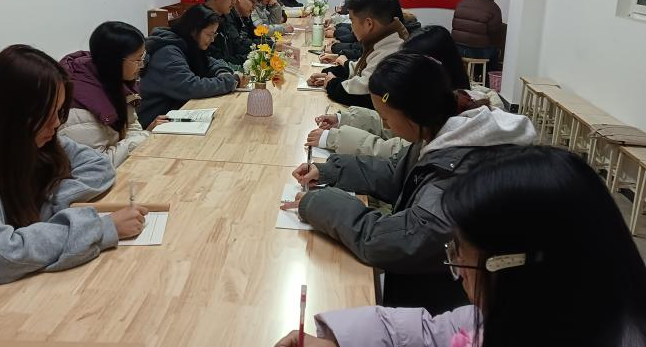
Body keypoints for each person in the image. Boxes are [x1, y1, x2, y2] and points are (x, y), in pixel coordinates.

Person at [275, 146, 646, 347]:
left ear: (518, 271)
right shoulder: (539, 312)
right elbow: (435, 333)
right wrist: (340, 342)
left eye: (461, 261)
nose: (458, 275)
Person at [0, 45, 148, 346]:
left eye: (59, 112)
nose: (57, 124)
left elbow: (97, 166)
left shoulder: (21, 136)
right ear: (14, 114)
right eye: (49, 115)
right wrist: (100, 228)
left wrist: (49, 202)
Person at [282, 53, 536, 313]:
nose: (386, 126)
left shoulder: (456, 175)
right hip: (424, 288)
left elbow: (387, 241)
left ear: (412, 113)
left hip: (439, 308)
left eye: (386, 118)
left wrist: (316, 202)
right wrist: (330, 171)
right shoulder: (442, 131)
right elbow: (397, 172)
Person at [308, 26, 504, 158]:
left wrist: (336, 138)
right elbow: (392, 123)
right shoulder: (437, 99)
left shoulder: (462, 119)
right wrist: (345, 119)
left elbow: (399, 151)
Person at [138, 5, 248, 129]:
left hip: (179, 112)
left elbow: (210, 62)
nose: (212, 40)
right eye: (209, 34)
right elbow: (191, 86)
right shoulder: (167, 52)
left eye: (214, 34)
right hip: (156, 121)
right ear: (194, 30)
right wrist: (230, 81)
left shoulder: (190, 44)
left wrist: (222, 72)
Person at [58, 22, 150, 168]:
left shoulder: (116, 81)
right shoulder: (78, 109)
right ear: (114, 61)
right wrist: (144, 137)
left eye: (143, 57)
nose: (142, 65)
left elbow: (131, 126)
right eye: (138, 60)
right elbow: (96, 165)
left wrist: (139, 138)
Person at [308, 0, 408, 109]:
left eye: (352, 21)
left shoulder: (390, 51)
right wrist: (331, 73)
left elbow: (363, 94)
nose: (352, 28)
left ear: (369, 24)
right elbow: (362, 67)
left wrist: (332, 83)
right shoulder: (384, 39)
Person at [451, 0, 504, 68]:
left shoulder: (462, 2)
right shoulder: (493, 8)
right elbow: (495, 36)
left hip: (456, 49)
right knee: (496, 51)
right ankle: (487, 76)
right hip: (478, 53)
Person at [201, 0, 246, 67]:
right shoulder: (203, 23)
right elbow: (219, 61)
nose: (234, 2)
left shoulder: (224, 17)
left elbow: (236, 46)